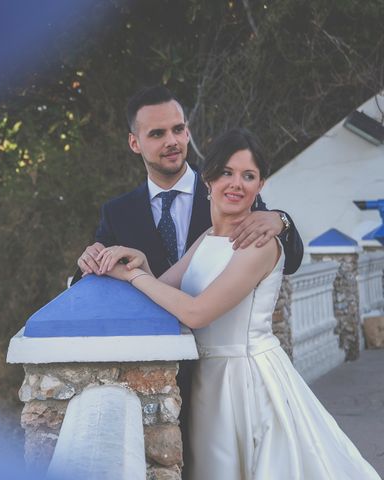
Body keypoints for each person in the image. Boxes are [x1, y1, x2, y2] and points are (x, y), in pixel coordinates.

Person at [95, 128, 380, 479]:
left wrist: (134, 276)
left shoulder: (260, 244)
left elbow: (197, 312)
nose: (236, 184)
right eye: (227, 172)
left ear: (260, 186)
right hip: (208, 380)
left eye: (249, 176)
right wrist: (135, 261)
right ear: (208, 180)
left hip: (246, 380)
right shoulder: (207, 238)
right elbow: (161, 290)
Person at [72, 85, 304, 467]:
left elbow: (287, 257)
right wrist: (92, 261)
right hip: (168, 380)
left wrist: (282, 219)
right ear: (135, 142)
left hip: (238, 380)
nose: (172, 141)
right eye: (157, 133)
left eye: (178, 129)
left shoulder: (234, 195)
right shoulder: (119, 213)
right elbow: (106, 280)